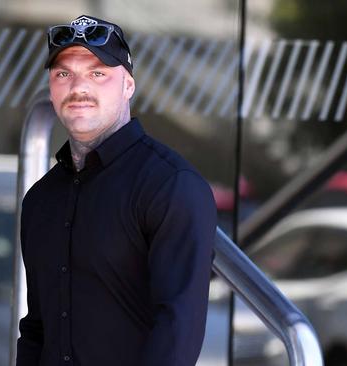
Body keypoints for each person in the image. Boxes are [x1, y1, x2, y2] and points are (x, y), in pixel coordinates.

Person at [16, 14, 217, 366]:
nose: (79, 87)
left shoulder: (170, 186)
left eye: (98, 73)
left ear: (128, 86)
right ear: (51, 87)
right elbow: (37, 330)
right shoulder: (41, 199)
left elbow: (178, 330)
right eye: (64, 74)